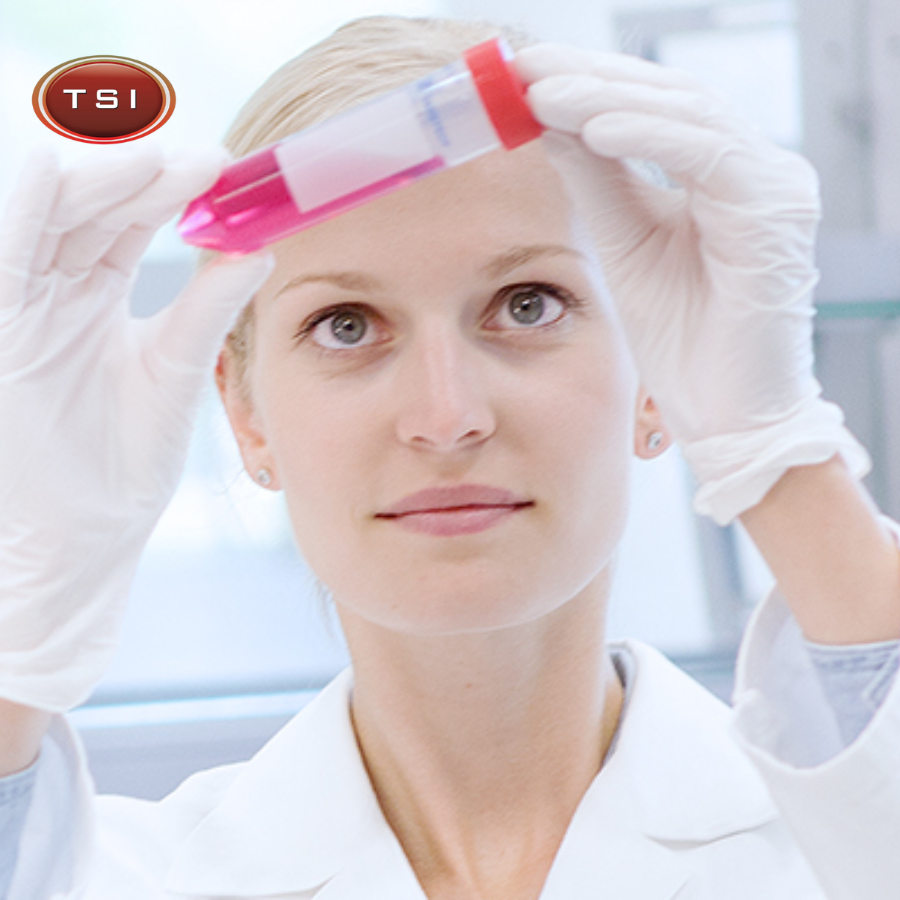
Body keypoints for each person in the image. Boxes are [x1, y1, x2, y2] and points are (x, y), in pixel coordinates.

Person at [1, 14, 899, 900]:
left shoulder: (838, 847)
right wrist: (22, 617)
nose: (447, 417)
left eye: (528, 304)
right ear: (246, 414)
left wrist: (778, 449)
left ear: (657, 376)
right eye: (345, 326)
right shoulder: (116, 879)